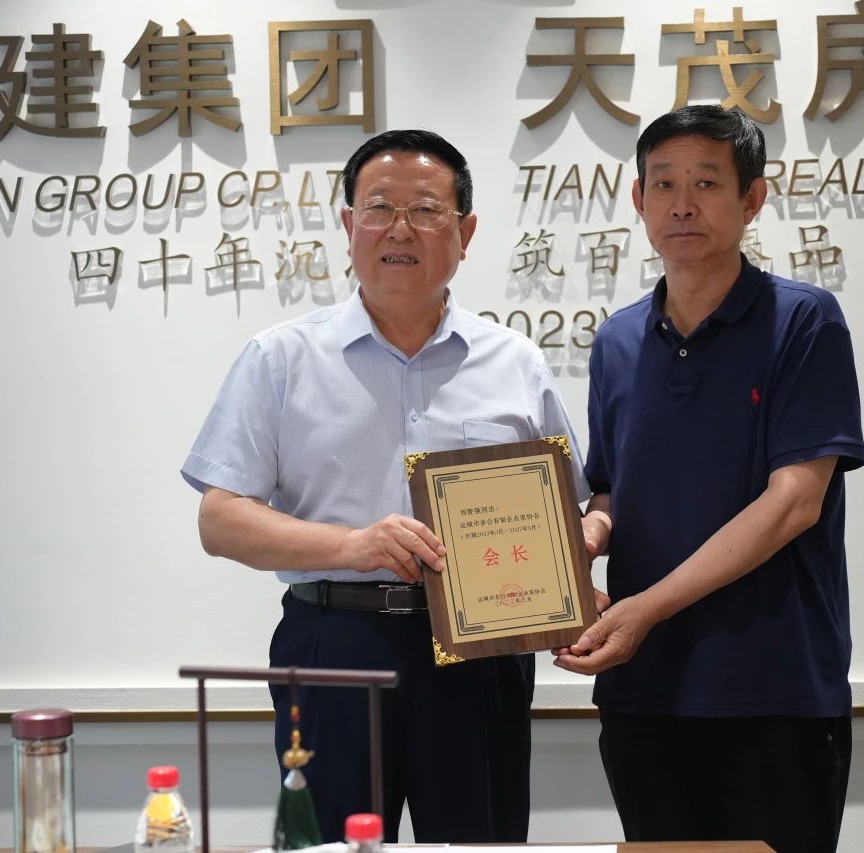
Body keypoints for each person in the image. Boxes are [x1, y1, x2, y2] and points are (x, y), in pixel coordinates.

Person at [182, 129, 588, 844]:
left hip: (479, 653)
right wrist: (354, 545)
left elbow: (560, 513)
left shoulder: (515, 362)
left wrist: (569, 588)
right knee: (332, 842)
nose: (400, 229)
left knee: (478, 842)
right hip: (334, 643)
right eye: (379, 208)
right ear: (348, 225)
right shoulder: (281, 358)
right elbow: (220, 519)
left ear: (465, 232)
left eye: (426, 210)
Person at [556, 105, 864, 853]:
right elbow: (612, 489)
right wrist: (583, 540)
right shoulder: (617, 340)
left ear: (751, 199)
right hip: (644, 691)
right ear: (639, 200)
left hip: (773, 687)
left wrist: (645, 609)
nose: (682, 204)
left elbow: (793, 504)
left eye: (705, 183)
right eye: (663, 184)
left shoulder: (804, 321)